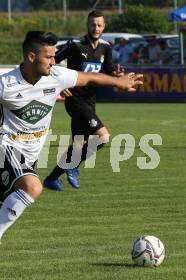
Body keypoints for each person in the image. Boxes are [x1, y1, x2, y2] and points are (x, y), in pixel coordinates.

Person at [0, 31, 142, 265]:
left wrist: (119, 82)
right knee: (33, 186)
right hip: (5, 150)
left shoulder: (56, 75)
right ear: (31, 56)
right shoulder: (5, 83)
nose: (54, 61)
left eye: (55, 56)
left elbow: (89, 78)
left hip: (28, 158)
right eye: (49, 57)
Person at [43, 10, 124, 191]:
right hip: (74, 99)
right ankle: (73, 166)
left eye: (99, 25)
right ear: (87, 25)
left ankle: (52, 179)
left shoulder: (106, 47)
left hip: (91, 101)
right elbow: (50, 63)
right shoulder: (75, 45)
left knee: (80, 144)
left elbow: (109, 71)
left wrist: (118, 76)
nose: (96, 28)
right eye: (93, 24)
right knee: (103, 137)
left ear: (104, 27)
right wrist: (60, 85)